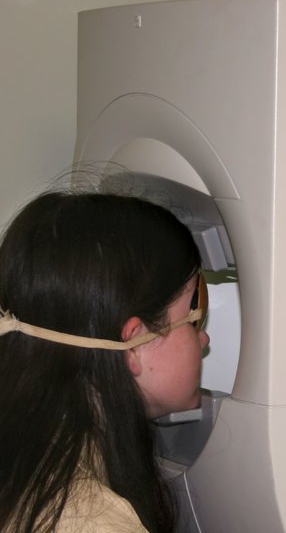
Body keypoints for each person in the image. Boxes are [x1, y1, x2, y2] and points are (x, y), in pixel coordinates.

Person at [0, 190, 210, 532]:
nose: (204, 339)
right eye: (192, 314)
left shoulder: (26, 462)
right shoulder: (94, 521)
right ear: (134, 344)